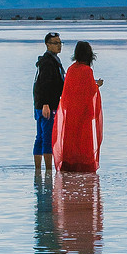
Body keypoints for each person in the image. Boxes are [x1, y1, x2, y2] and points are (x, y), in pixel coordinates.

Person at [53, 40, 104, 173]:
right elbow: (90, 91)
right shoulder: (87, 71)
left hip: (71, 113)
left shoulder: (71, 69)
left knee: (71, 140)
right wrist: (97, 85)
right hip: (83, 114)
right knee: (83, 141)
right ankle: (83, 165)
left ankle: (69, 164)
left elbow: (69, 90)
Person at [33, 31, 64, 173]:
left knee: (41, 136)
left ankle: (39, 170)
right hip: (46, 105)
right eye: (55, 43)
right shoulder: (47, 62)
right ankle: (48, 171)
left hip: (42, 104)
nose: (59, 46)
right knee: (46, 137)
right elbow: (43, 84)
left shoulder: (52, 60)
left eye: (60, 43)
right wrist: (45, 103)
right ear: (47, 45)